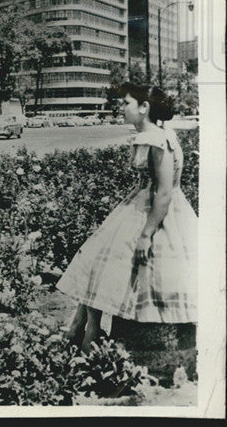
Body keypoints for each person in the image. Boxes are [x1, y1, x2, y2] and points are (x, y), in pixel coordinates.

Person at [57, 82, 197, 352]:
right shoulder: (148, 137)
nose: (121, 108)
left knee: (125, 263)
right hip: (139, 204)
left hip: (158, 211)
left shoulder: (159, 140)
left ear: (144, 108)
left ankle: (91, 333)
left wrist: (147, 234)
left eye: (126, 103)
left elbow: (165, 192)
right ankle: (86, 327)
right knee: (99, 259)